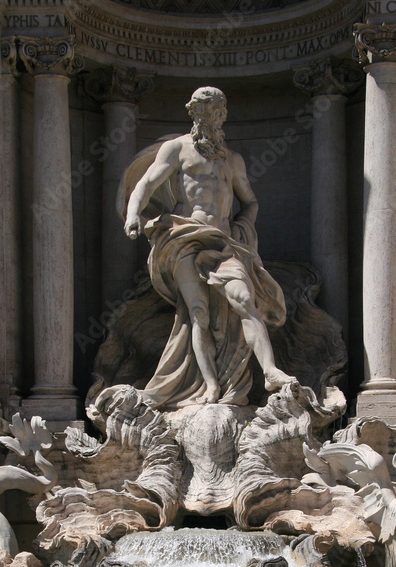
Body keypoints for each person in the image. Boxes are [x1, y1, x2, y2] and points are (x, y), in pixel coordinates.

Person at [123, 86, 292, 408]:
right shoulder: (177, 149)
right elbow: (146, 183)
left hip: (224, 242)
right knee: (197, 313)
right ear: (193, 114)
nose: (210, 117)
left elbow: (250, 201)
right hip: (185, 236)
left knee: (244, 300)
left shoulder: (232, 160)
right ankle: (211, 388)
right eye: (203, 111)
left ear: (222, 116)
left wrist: (243, 228)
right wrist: (133, 214)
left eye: (215, 112)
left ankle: (270, 371)